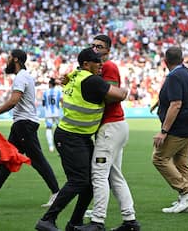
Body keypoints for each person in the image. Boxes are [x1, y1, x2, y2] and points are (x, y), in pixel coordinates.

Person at [35, 47, 128, 231]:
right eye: (96, 61)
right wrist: (123, 87)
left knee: (91, 181)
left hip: (77, 136)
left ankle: (75, 223)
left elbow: (68, 78)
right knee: (79, 180)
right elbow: (121, 95)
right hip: (71, 137)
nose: (101, 64)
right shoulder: (92, 80)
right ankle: (47, 220)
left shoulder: (75, 75)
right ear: (86, 64)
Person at [0, 49, 60, 208]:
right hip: (22, 124)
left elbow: (14, 101)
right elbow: (17, 101)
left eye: (9, 58)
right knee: (8, 160)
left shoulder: (21, 77)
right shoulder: (25, 76)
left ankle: (57, 193)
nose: (7, 61)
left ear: (16, 60)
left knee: (37, 160)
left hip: (24, 125)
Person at [75, 35, 140, 231]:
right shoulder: (95, 69)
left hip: (111, 126)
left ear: (108, 50)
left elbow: (112, 96)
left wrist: (90, 97)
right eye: (93, 45)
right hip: (114, 126)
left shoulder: (108, 66)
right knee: (114, 176)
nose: (95, 49)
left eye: (99, 46)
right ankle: (130, 221)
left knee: (99, 174)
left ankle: (97, 222)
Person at [152, 46, 188, 214]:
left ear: (165, 62)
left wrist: (163, 131)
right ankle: (186, 202)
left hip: (177, 127)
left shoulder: (173, 77)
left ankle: (187, 192)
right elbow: (187, 98)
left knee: (159, 158)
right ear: (182, 59)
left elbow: (176, 103)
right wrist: (160, 103)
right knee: (182, 163)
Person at [151, 102, 188, 178]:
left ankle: (187, 183)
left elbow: (174, 103)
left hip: (176, 123)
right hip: (184, 121)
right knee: (186, 147)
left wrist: (164, 131)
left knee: (159, 158)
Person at [42, 78, 63, 152]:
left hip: (48, 113)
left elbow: (43, 103)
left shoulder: (45, 92)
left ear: (50, 84)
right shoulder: (58, 91)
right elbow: (62, 101)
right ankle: (60, 145)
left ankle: (51, 146)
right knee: (60, 129)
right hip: (57, 112)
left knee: (48, 129)